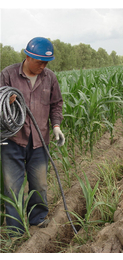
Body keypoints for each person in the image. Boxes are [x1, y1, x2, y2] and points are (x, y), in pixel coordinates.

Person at [0, 37, 65, 236]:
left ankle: (38, 218)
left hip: (39, 140)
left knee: (40, 183)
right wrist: (6, 103)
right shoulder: (8, 75)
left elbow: (56, 103)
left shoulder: (50, 77)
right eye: (39, 61)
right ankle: (15, 230)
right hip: (12, 141)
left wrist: (56, 126)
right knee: (12, 186)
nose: (43, 66)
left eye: (46, 62)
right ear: (27, 57)